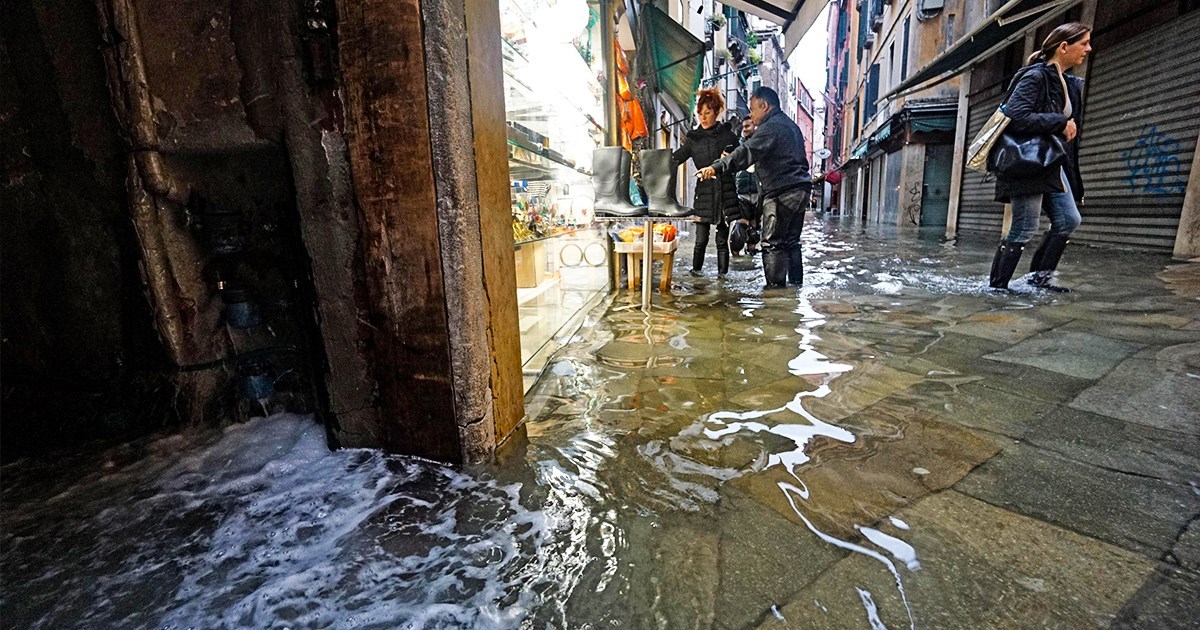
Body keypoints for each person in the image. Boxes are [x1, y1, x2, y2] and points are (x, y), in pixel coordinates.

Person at [989, 22, 1091, 292]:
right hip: (1028, 162)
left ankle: (1039, 280)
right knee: (1024, 227)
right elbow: (1016, 116)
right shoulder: (1035, 76)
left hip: (1053, 163)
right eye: (1084, 43)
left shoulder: (1068, 83)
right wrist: (1059, 122)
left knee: (1069, 219)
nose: (1089, 49)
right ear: (1064, 46)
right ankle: (998, 288)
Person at [698, 87, 812, 288]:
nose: (750, 113)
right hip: (801, 189)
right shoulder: (791, 126)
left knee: (772, 244)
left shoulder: (771, 127)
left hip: (781, 192)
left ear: (765, 106)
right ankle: (794, 291)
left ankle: (775, 297)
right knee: (791, 243)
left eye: (752, 109)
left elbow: (747, 152)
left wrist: (717, 166)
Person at [673, 88, 739, 277]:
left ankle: (723, 278)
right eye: (700, 113)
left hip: (725, 193)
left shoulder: (729, 136)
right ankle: (696, 274)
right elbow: (676, 158)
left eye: (707, 113)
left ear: (716, 112)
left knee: (721, 241)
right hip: (704, 194)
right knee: (700, 240)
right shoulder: (694, 139)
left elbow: (741, 161)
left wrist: (729, 160)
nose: (703, 117)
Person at [730, 116, 762, 256]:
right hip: (742, 192)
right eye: (744, 126)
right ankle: (736, 256)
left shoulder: (762, 145)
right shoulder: (739, 146)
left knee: (754, 229)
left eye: (748, 126)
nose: (745, 129)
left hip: (758, 192)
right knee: (740, 226)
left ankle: (751, 253)